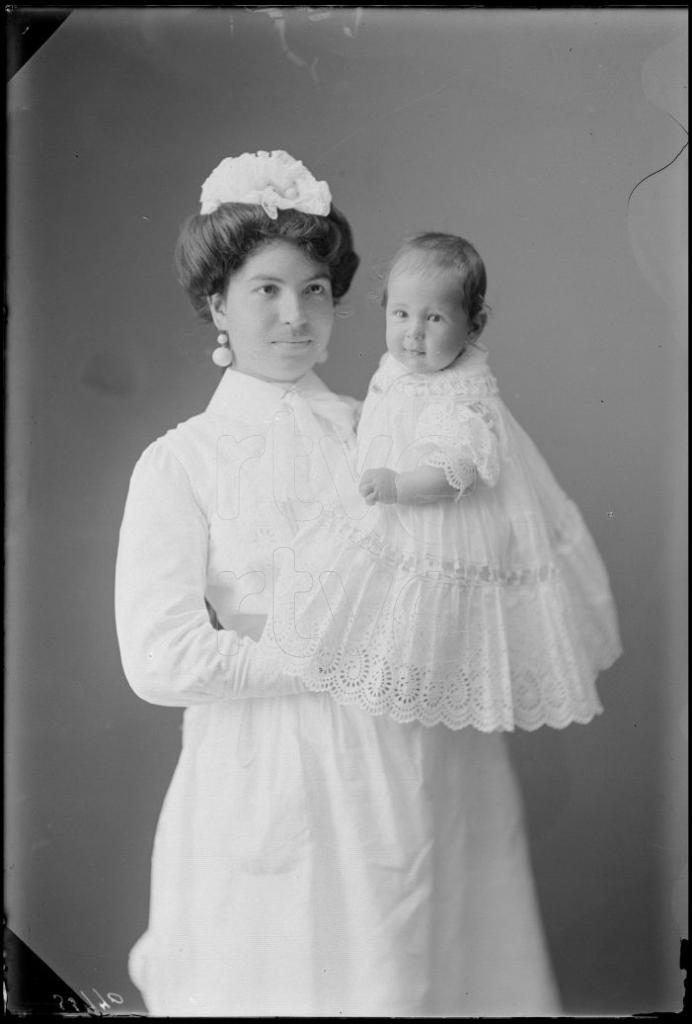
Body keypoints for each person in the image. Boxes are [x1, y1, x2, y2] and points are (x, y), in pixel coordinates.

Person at [115, 151, 562, 1017]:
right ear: (218, 303)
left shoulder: (392, 436)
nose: (295, 317)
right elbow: (158, 658)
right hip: (267, 776)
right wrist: (324, 659)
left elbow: (464, 583)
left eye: (315, 290)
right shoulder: (183, 463)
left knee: (415, 983)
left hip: (414, 768)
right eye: (266, 291)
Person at [261, 232, 623, 733]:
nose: (413, 334)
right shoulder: (402, 366)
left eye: (434, 319)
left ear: (473, 325)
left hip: (439, 520)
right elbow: (393, 412)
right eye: (401, 315)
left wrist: (399, 485)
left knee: (426, 622)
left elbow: (457, 475)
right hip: (397, 499)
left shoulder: (462, 401)